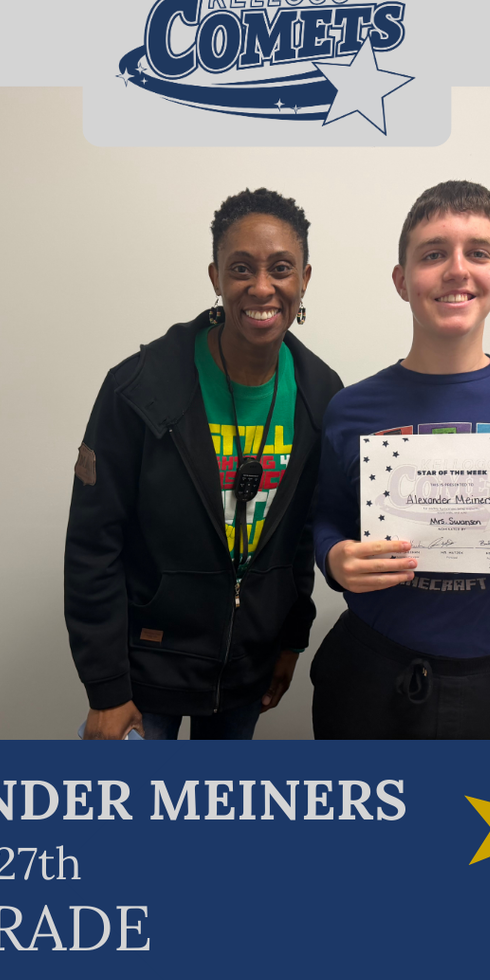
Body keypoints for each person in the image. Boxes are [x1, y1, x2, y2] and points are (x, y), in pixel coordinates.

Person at [66, 188, 342, 740]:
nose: (261, 287)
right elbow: (94, 546)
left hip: (248, 669)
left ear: (304, 279)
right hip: (146, 673)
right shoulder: (138, 387)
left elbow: (301, 538)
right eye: (241, 268)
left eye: (280, 268)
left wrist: (291, 641)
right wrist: (106, 689)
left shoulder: (322, 396)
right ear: (215, 277)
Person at [311, 181, 490, 739]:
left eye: (478, 252)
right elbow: (326, 515)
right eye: (434, 254)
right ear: (401, 280)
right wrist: (334, 560)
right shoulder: (351, 407)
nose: (457, 270)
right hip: (373, 675)